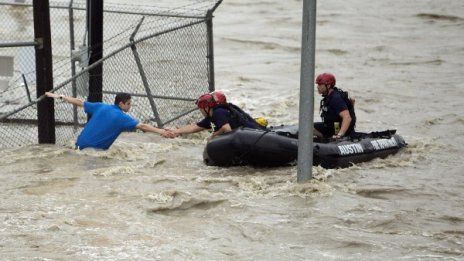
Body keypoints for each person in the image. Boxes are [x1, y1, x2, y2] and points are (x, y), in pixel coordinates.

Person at [44, 91, 175, 150]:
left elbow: (79, 102)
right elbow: (143, 126)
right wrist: (161, 131)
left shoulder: (101, 106)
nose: (130, 106)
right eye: (129, 103)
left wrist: (59, 96)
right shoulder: (122, 118)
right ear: (122, 104)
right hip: (93, 152)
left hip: (79, 145)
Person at [171, 91, 265, 137]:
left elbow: (226, 129)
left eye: (201, 109)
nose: (201, 111)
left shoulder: (218, 113)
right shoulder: (215, 115)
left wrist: (214, 134)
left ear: (206, 108)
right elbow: (195, 127)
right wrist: (175, 131)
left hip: (254, 134)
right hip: (254, 133)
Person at [313, 73, 356, 139]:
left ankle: (328, 139)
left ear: (328, 86)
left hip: (341, 130)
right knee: (308, 127)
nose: (317, 87)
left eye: (320, 84)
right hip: (330, 127)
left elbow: (347, 117)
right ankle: (326, 138)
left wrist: (339, 135)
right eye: (317, 84)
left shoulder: (335, 98)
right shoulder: (327, 97)